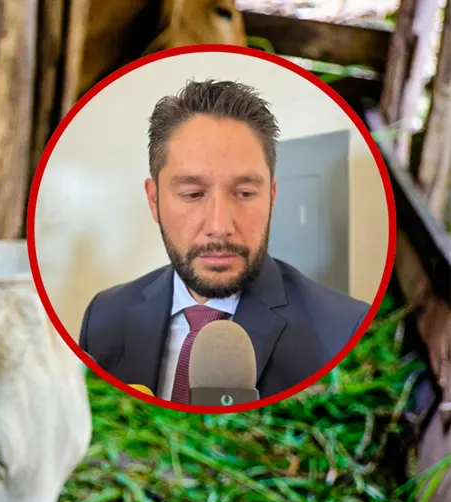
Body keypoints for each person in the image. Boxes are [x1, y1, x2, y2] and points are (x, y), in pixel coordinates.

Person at [77, 78, 369, 402]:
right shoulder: (103, 318)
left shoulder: (345, 333)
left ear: (272, 195)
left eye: (244, 193)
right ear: (154, 200)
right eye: (192, 194)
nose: (219, 226)